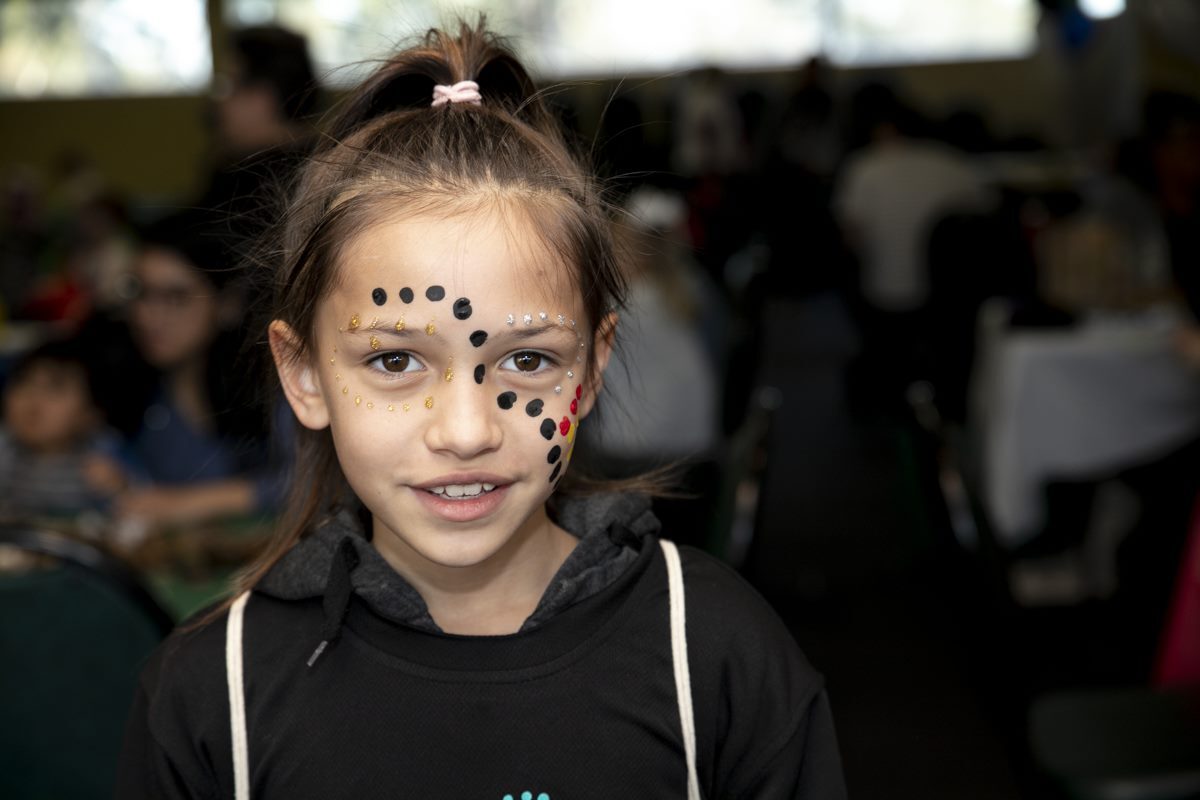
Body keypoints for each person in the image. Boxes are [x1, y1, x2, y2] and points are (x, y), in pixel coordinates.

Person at [117, 23, 845, 798]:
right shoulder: (213, 696)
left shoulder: (714, 655)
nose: (465, 432)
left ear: (592, 369)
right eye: (395, 361)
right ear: (303, 377)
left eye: (527, 361)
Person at [115, 209, 286, 526]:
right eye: (140, 292)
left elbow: (314, 485)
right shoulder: (130, 386)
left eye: (176, 297)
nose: (147, 317)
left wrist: (193, 503)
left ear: (228, 303)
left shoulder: (274, 385)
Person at [0, 337, 136, 518]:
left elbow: (140, 506)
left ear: (91, 413)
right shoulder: (5, 448)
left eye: (54, 388)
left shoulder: (103, 454)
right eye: (24, 383)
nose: (33, 400)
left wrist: (119, 488)